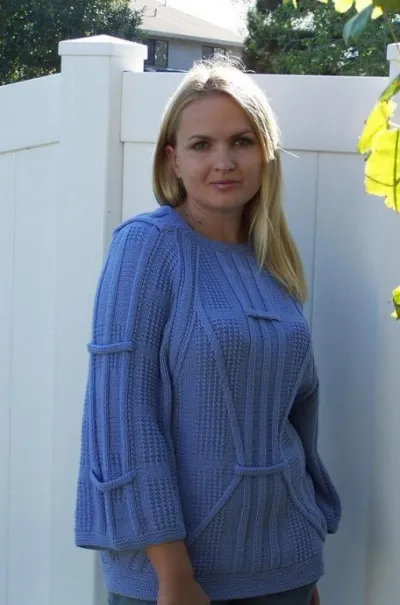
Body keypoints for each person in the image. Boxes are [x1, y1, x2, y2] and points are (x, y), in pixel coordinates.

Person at [74, 56, 341, 605]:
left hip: (286, 568)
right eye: (201, 145)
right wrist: (173, 575)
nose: (224, 161)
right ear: (172, 159)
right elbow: (121, 418)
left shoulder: (273, 261)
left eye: (241, 141)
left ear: (265, 152)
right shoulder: (146, 247)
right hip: (176, 578)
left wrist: (303, 553)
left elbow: (294, 416)